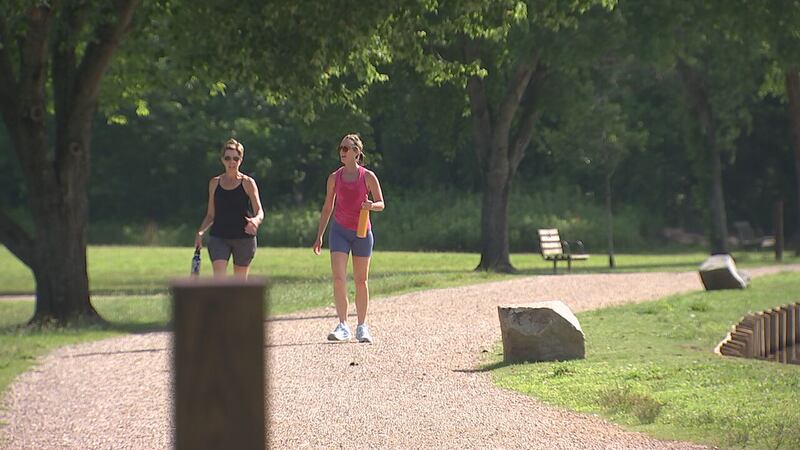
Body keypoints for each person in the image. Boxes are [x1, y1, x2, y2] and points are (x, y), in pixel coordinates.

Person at [313, 134, 385, 343]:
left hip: (362, 232)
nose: (342, 152)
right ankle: (343, 325)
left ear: (357, 152)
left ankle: (362, 326)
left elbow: (381, 203)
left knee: (361, 281)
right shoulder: (334, 178)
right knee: (338, 278)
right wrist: (319, 236)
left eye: (346, 148)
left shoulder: (368, 176)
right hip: (339, 232)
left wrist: (371, 205)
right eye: (341, 148)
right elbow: (328, 207)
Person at [195, 138, 264, 279]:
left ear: (241, 160)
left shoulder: (248, 183)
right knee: (220, 281)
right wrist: (201, 232)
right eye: (227, 158)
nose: (232, 162)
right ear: (222, 160)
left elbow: (260, 211)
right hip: (219, 236)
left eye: (235, 158)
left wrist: (255, 221)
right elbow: (210, 215)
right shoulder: (214, 183)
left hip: (243, 237)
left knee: (239, 285)